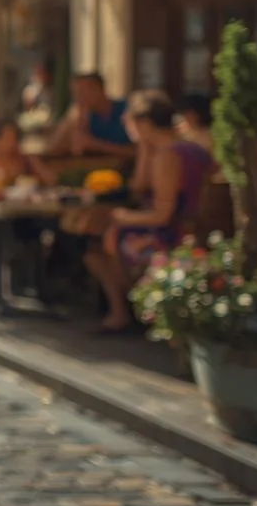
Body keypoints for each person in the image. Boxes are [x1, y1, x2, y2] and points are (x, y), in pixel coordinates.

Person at [83, 91, 214, 333]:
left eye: (130, 123)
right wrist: (144, 146)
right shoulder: (188, 146)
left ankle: (125, 312)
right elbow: (139, 186)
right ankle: (129, 310)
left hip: (173, 236)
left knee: (101, 245)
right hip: (191, 227)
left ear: (143, 123)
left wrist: (124, 218)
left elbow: (162, 214)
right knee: (105, 237)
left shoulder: (168, 155)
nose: (127, 129)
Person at [48, 72, 135, 157]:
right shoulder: (85, 117)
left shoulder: (127, 109)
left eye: (81, 93)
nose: (78, 98)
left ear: (97, 89)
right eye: (75, 94)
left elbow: (137, 152)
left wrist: (96, 145)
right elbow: (55, 149)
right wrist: (69, 121)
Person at [0, 118, 57, 199]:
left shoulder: (23, 159)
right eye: (7, 138)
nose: (11, 143)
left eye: (14, 138)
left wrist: (34, 161)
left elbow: (50, 180)